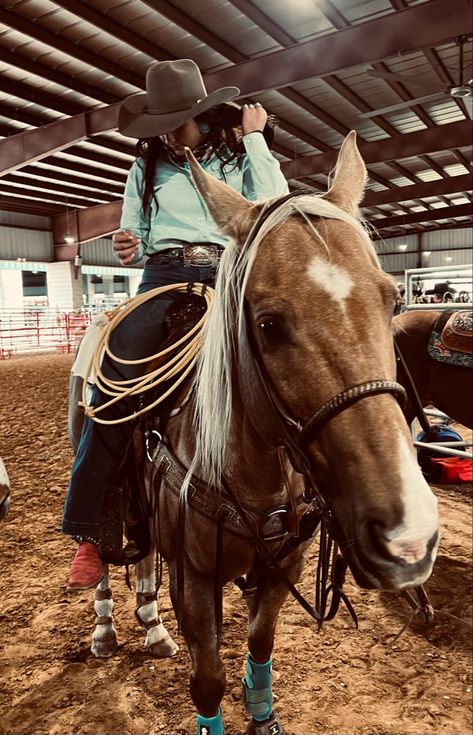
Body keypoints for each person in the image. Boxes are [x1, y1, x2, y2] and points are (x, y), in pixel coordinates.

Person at [62, 58, 289, 590]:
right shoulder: (146, 168)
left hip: (228, 275)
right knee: (115, 383)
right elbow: (131, 237)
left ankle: (316, 504)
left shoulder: (236, 155)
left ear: (199, 112)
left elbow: (275, 200)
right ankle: (91, 531)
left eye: (174, 117)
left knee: (294, 364)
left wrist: (256, 140)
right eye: (158, 120)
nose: (166, 128)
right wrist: (128, 245)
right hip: (162, 277)